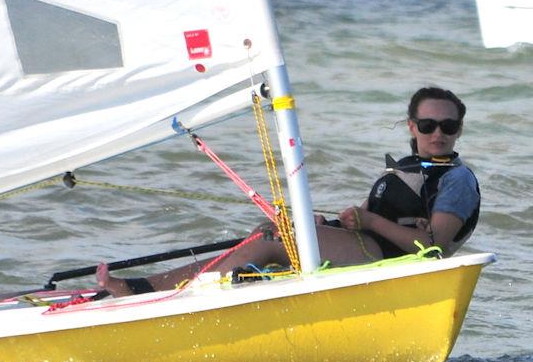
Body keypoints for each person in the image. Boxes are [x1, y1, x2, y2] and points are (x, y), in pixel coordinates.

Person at [97, 86, 480, 297]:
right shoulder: (404, 171)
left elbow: (435, 248)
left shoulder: (456, 180)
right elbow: (364, 224)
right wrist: (333, 225)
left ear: (459, 129)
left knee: (278, 239)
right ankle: (207, 292)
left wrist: (369, 220)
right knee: (267, 234)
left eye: (448, 125)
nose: (438, 134)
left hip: (400, 268)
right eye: (428, 124)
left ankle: (146, 290)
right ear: (412, 127)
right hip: (373, 254)